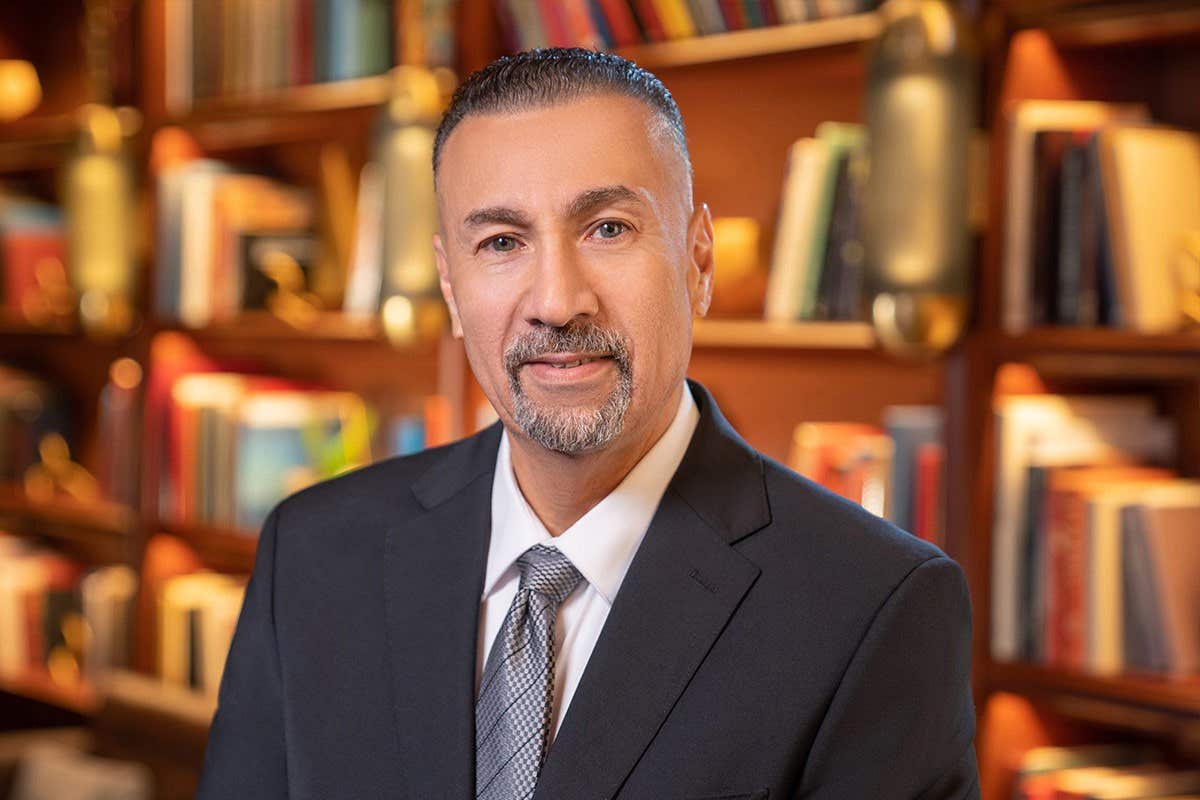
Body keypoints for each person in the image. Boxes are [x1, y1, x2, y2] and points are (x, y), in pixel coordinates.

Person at [196, 48, 979, 800]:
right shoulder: (312, 555)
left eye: (607, 228)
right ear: (450, 282)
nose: (558, 300)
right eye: (501, 242)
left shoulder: (875, 606)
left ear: (697, 261)